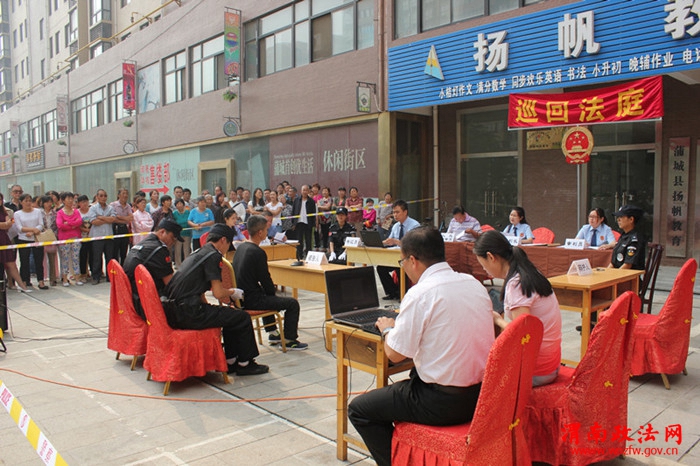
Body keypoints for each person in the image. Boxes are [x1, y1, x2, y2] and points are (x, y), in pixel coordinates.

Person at [348, 227, 494, 466]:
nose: (404, 267)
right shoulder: (473, 284)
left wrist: (387, 329)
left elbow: (395, 354)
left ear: (413, 260)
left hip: (442, 403)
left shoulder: (420, 293)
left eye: (402, 262)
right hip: (480, 396)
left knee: (360, 410)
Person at [162, 224, 269, 375]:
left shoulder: (198, 252)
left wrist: (211, 310)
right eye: (229, 244)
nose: (227, 249)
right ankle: (246, 364)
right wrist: (233, 292)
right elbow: (218, 293)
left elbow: (197, 289)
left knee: (227, 315)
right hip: (188, 313)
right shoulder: (213, 256)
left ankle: (230, 360)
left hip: (175, 310)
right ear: (223, 240)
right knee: (242, 317)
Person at [474, 230, 562, 386]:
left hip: (537, 371)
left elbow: (523, 335)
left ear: (491, 257)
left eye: (483, 265)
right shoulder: (530, 272)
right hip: (551, 363)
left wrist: (498, 320)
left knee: (477, 372)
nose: (484, 270)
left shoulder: (516, 285)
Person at [233, 215, 308, 350]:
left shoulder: (241, 248)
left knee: (266, 294)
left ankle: (273, 333)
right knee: (292, 303)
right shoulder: (258, 252)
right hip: (252, 300)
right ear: (260, 232)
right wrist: (273, 296)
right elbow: (265, 280)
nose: (267, 232)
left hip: (240, 297)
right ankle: (289, 340)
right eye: (266, 230)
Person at [123, 218, 182, 319]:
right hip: (145, 303)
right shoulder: (159, 249)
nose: (173, 242)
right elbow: (170, 283)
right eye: (172, 238)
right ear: (162, 232)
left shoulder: (143, 243)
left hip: (131, 297)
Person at [377, 200, 420, 300]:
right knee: (381, 268)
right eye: (393, 212)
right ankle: (392, 292)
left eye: (397, 212)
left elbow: (413, 245)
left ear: (405, 212)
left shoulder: (414, 225)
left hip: (409, 257)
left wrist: (397, 242)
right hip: (395, 256)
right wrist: (381, 242)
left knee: (401, 266)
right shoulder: (395, 226)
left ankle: (403, 294)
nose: (395, 215)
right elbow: (390, 241)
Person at [14, 193, 48, 289]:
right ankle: (25, 281)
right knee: (24, 261)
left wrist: (33, 232)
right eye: (26, 201)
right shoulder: (17, 214)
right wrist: (32, 230)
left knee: (39, 260)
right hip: (23, 239)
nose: (28, 203)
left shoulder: (37, 211)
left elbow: (41, 224)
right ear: (21, 202)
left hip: (36, 238)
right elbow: (19, 227)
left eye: (30, 200)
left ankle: (41, 281)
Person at [0, 192, 31, 292]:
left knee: (11, 264)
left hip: (4, 239)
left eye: (0, 199)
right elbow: (5, 224)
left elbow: (9, 224)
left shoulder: (4, 211)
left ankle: (22, 286)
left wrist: (5, 224)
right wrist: (5, 224)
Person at [87, 189, 116, 285]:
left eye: (105, 195)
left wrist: (101, 217)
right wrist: (107, 219)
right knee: (97, 258)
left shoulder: (110, 208)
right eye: (101, 196)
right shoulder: (93, 208)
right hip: (97, 236)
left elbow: (113, 219)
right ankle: (96, 277)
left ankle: (109, 276)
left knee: (109, 257)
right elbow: (94, 221)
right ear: (97, 197)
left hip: (108, 236)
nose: (103, 198)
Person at [56, 192, 84, 286]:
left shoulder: (76, 211)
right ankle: (65, 279)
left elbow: (79, 222)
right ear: (63, 200)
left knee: (76, 258)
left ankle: (77, 278)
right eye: (68, 199)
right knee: (65, 259)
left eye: (72, 198)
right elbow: (60, 225)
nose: (71, 200)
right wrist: (73, 224)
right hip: (64, 239)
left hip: (76, 237)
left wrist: (68, 223)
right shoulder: (60, 213)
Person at [610, 205, 647, 270]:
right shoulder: (624, 235)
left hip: (628, 275)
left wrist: (614, 276)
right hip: (617, 273)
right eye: (618, 217)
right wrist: (606, 273)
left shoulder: (635, 239)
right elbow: (613, 263)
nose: (618, 219)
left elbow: (627, 265)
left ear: (631, 219)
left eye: (621, 217)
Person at [292, 185, 316, 260]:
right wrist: (293, 223)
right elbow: (293, 212)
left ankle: (309, 257)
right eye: (303, 190)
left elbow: (313, 214)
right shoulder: (296, 200)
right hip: (299, 223)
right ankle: (300, 257)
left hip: (308, 223)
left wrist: (313, 224)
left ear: (308, 191)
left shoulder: (311, 201)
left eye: (306, 190)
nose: (305, 192)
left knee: (308, 241)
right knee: (299, 241)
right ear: (301, 191)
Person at [39, 195, 59, 286]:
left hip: (52, 237)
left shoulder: (55, 213)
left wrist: (53, 234)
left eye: (50, 202)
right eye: (47, 202)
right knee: (41, 259)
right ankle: (42, 278)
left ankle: (53, 278)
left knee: (52, 259)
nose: (49, 204)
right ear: (42, 203)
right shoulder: (39, 213)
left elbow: (57, 225)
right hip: (41, 237)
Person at [110, 188, 133, 265]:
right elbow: (114, 219)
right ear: (118, 195)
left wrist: (120, 217)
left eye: (126, 193)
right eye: (123, 193)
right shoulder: (113, 205)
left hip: (125, 229)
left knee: (124, 251)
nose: (125, 195)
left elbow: (131, 218)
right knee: (115, 251)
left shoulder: (128, 206)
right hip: (115, 228)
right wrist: (125, 219)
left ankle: (123, 268)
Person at [171, 198, 192, 266]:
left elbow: (190, 221)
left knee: (186, 250)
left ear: (183, 204)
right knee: (177, 251)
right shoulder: (174, 213)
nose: (179, 205)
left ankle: (187, 265)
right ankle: (178, 265)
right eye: (177, 204)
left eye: (181, 203)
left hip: (187, 233)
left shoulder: (188, 212)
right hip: (178, 234)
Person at [77, 194, 92, 284]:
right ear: (79, 203)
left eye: (86, 201)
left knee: (93, 255)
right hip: (81, 238)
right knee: (83, 256)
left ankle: (94, 272)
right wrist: (86, 230)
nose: (85, 203)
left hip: (92, 236)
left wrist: (91, 230)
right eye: (82, 202)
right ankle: (83, 274)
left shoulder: (92, 210)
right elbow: (77, 225)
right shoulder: (77, 212)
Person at [316, 186, 333, 251]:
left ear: (328, 192)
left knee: (329, 233)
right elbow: (318, 207)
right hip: (321, 219)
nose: (324, 192)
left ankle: (329, 247)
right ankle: (324, 246)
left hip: (329, 219)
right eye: (323, 191)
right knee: (323, 233)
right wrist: (323, 207)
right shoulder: (320, 200)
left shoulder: (330, 199)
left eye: (326, 191)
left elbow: (328, 207)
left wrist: (321, 206)